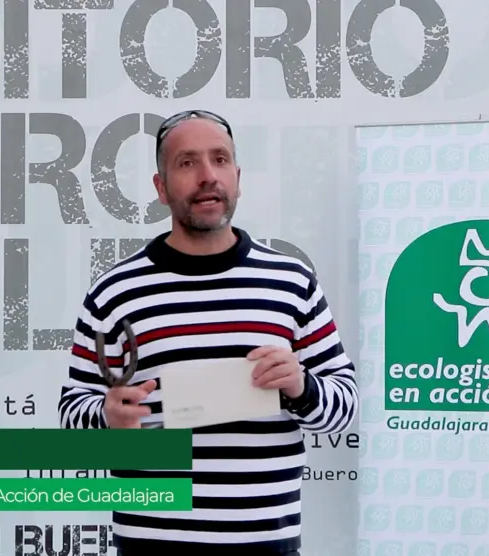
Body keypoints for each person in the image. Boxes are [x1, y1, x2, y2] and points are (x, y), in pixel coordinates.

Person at [57, 109, 359, 556]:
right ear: (161, 188)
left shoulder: (291, 282)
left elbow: (344, 405)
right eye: (187, 163)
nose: (207, 176)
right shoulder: (115, 292)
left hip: (265, 546)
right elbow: (72, 418)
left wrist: (301, 386)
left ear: (237, 177)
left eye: (220, 159)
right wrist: (107, 418)